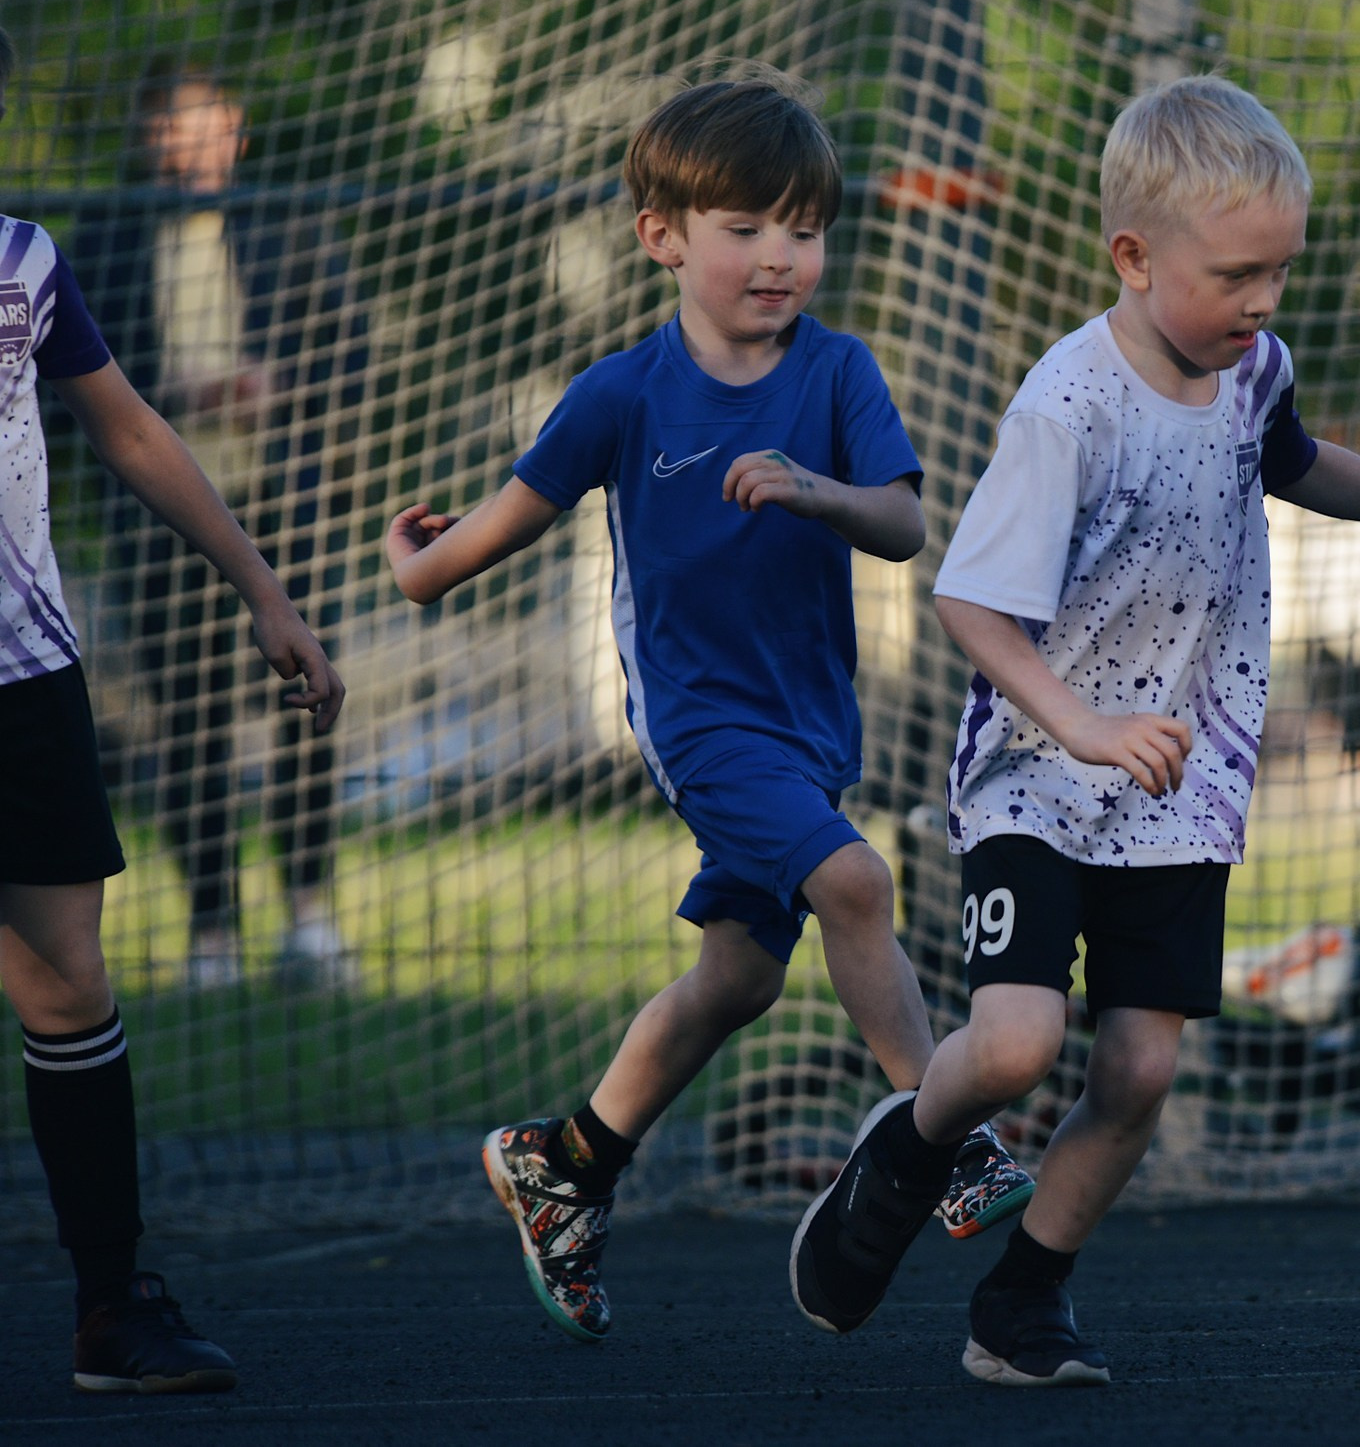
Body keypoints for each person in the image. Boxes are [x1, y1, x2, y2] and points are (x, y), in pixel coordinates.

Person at [784, 74, 1360, 1385]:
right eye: (1235, 274)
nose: (1262, 300)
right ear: (1135, 258)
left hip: (1179, 785)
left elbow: (1300, 459)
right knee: (1022, 1041)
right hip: (1041, 775)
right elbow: (968, 601)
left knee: (1141, 1068)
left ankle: (1022, 1300)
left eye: (1279, 270)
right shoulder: (1069, 409)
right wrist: (1083, 722)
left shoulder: (1250, 366)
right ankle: (904, 1155)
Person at [380, 75, 1032, 1344]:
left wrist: (811, 491)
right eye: (746, 229)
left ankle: (566, 1160)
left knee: (734, 980)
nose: (780, 256)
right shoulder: (621, 394)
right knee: (857, 887)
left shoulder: (839, 372)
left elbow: (901, 521)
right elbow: (499, 529)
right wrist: (415, 563)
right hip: (699, 726)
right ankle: (942, 1137)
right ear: (662, 236)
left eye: (803, 228)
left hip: (808, 729)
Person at [0, 24, 346, 1393]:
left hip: (24, 676)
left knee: (68, 976)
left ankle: (109, 1306)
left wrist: (262, 583)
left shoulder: (23, 257)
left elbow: (129, 425)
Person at [70, 68, 367, 988]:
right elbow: (73, 376)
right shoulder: (108, 238)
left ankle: (311, 917)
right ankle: (212, 936)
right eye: (171, 129)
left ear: (235, 131)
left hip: (282, 504)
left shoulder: (289, 220)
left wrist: (280, 388)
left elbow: (349, 348)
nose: (189, 144)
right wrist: (177, 394)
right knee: (189, 724)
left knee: (306, 708)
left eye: (206, 126)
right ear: (150, 138)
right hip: (161, 522)